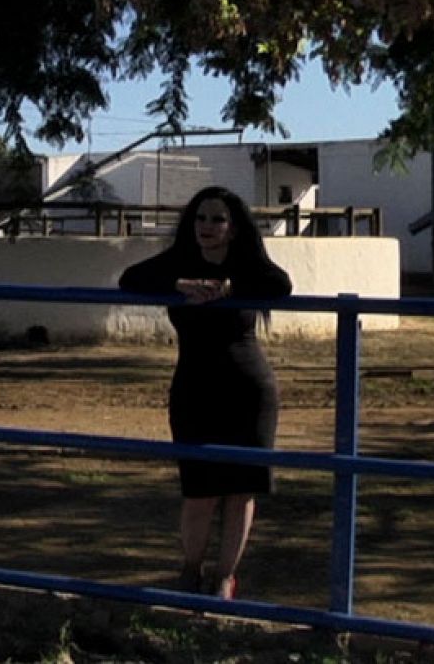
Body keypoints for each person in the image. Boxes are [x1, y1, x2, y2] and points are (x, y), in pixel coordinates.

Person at [118, 185, 292, 600]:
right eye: (200, 218)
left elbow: (280, 284)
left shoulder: (248, 262)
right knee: (200, 491)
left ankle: (224, 579)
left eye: (217, 219)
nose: (207, 227)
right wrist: (180, 284)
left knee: (241, 490)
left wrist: (229, 289)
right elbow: (130, 279)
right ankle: (190, 572)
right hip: (194, 388)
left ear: (233, 228)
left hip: (248, 388)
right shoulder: (179, 259)